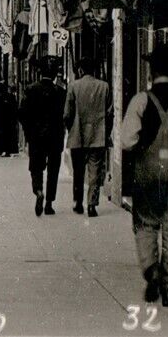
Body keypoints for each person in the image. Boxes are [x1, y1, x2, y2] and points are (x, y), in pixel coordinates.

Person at [122, 44, 168, 307]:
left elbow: (127, 140)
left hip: (147, 175)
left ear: (151, 71)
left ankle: (151, 270)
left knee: (145, 225)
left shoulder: (140, 101)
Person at [64, 55, 113, 217]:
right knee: (95, 170)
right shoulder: (104, 87)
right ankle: (92, 204)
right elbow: (109, 113)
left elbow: (67, 114)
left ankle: (78, 202)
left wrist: (71, 128)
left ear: (80, 70)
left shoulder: (73, 86)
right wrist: (106, 132)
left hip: (77, 136)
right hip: (98, 135)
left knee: (78, 172)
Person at [19, 59, 66, 215]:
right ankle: (49, 203)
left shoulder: (31, 90)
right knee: (53, 170)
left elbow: (22, 113)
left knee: (36, 167)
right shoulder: (60, 92)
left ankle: (38, 190)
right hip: (55, 137)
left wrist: (28, 131)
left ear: (40, 74)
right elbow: (65, 116)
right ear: (54, 76)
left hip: (36, 137)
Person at [0, 78, 19, 157]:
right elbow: (14, 108)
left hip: (0, 119)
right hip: (8, 120)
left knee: (0, 134)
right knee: (8, 135)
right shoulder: (10, 97)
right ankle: (8, 150)